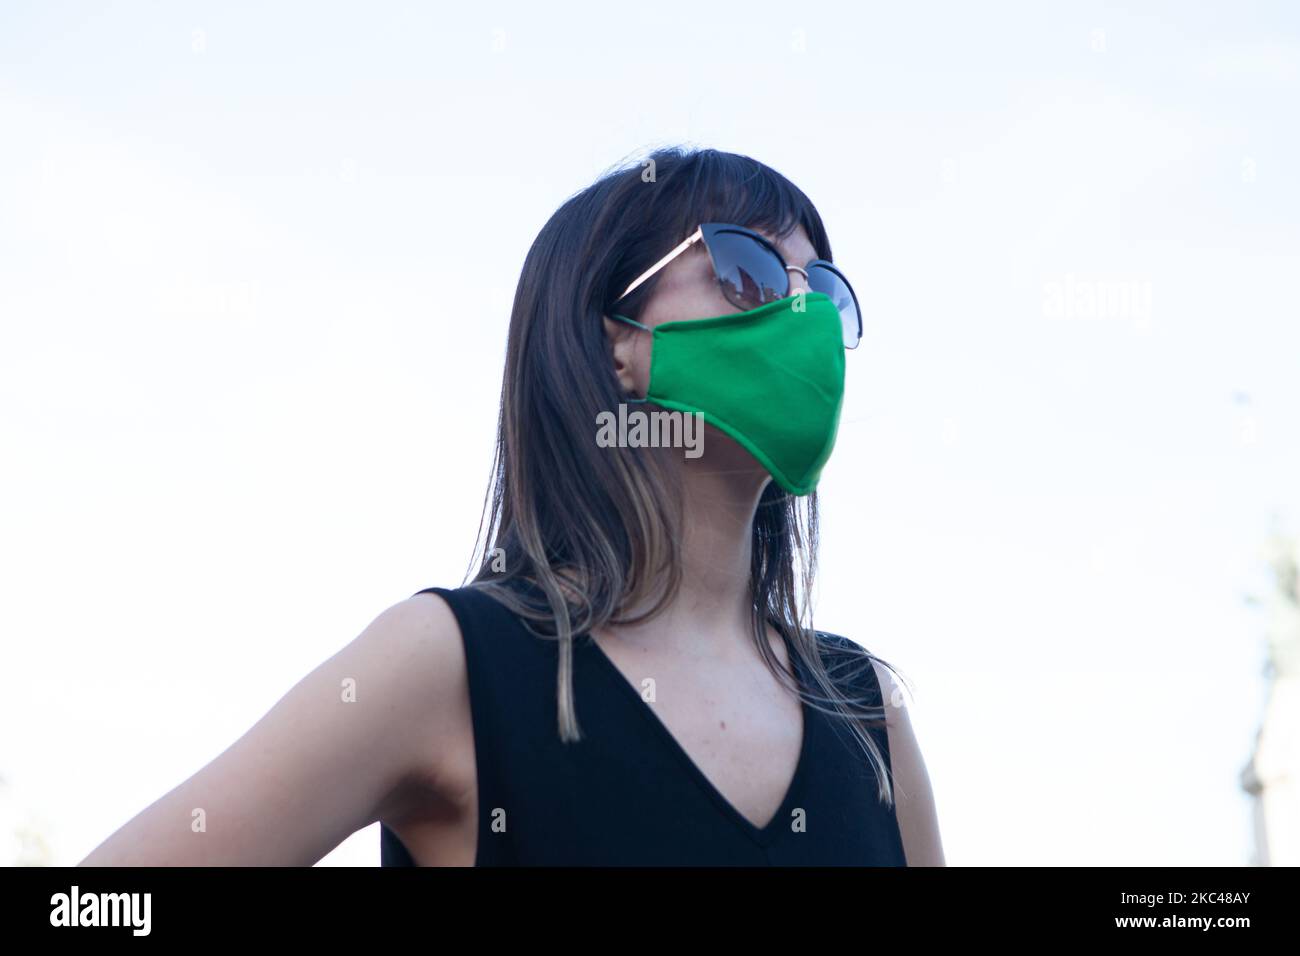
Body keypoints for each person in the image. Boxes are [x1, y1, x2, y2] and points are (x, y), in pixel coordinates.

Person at [79, 146, 944, 867]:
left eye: (822, 294)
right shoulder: (454, 664)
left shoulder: (868, 715)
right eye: (749, 273)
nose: (802, 319)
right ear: (616, 347)